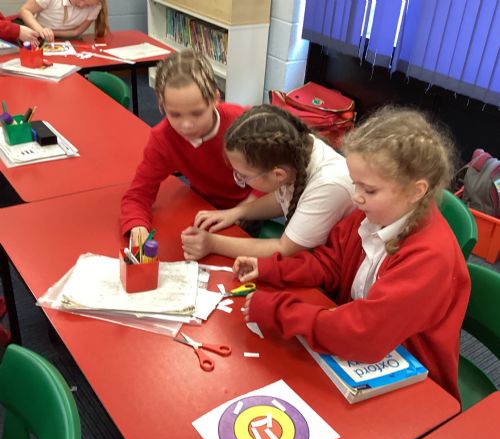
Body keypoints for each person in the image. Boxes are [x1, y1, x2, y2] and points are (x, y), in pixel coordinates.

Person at [235, 106, 470, 402]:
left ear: (415, 191)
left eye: (369, 190)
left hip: (416, 382)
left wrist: (281, 313)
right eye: (354, 182)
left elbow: (366, 333)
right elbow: (330, 263)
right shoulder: (371, 216)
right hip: (361, 353)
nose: (356, 196)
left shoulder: (430, 257)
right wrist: (272, 269)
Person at [180, 104, 354, 260]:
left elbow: (285, 249)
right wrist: (237, 212)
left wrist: (212, 243)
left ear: (278, 174)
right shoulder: (297, 150)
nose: (239, 179)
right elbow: (282, 199)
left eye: (243, 176)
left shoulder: (328, 186)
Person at [121, 49, 252, 246]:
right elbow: (138, 194)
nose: (186, 125)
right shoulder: (163, 138)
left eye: (197, 113)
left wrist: (243, 211)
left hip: (250, 211)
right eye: (175, 115)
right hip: (202, 208)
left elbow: (276, 177)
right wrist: (137, 226)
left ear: (215, 99)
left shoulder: (242, 122)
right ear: (162, 105)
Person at [19, 0, 109, 42]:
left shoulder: (96, 6)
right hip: (37, 36)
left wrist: (51, 33)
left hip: (68, 40)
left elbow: (76, 32)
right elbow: (24, 10)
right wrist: (41, 31)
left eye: (88, 5)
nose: (81, 5)